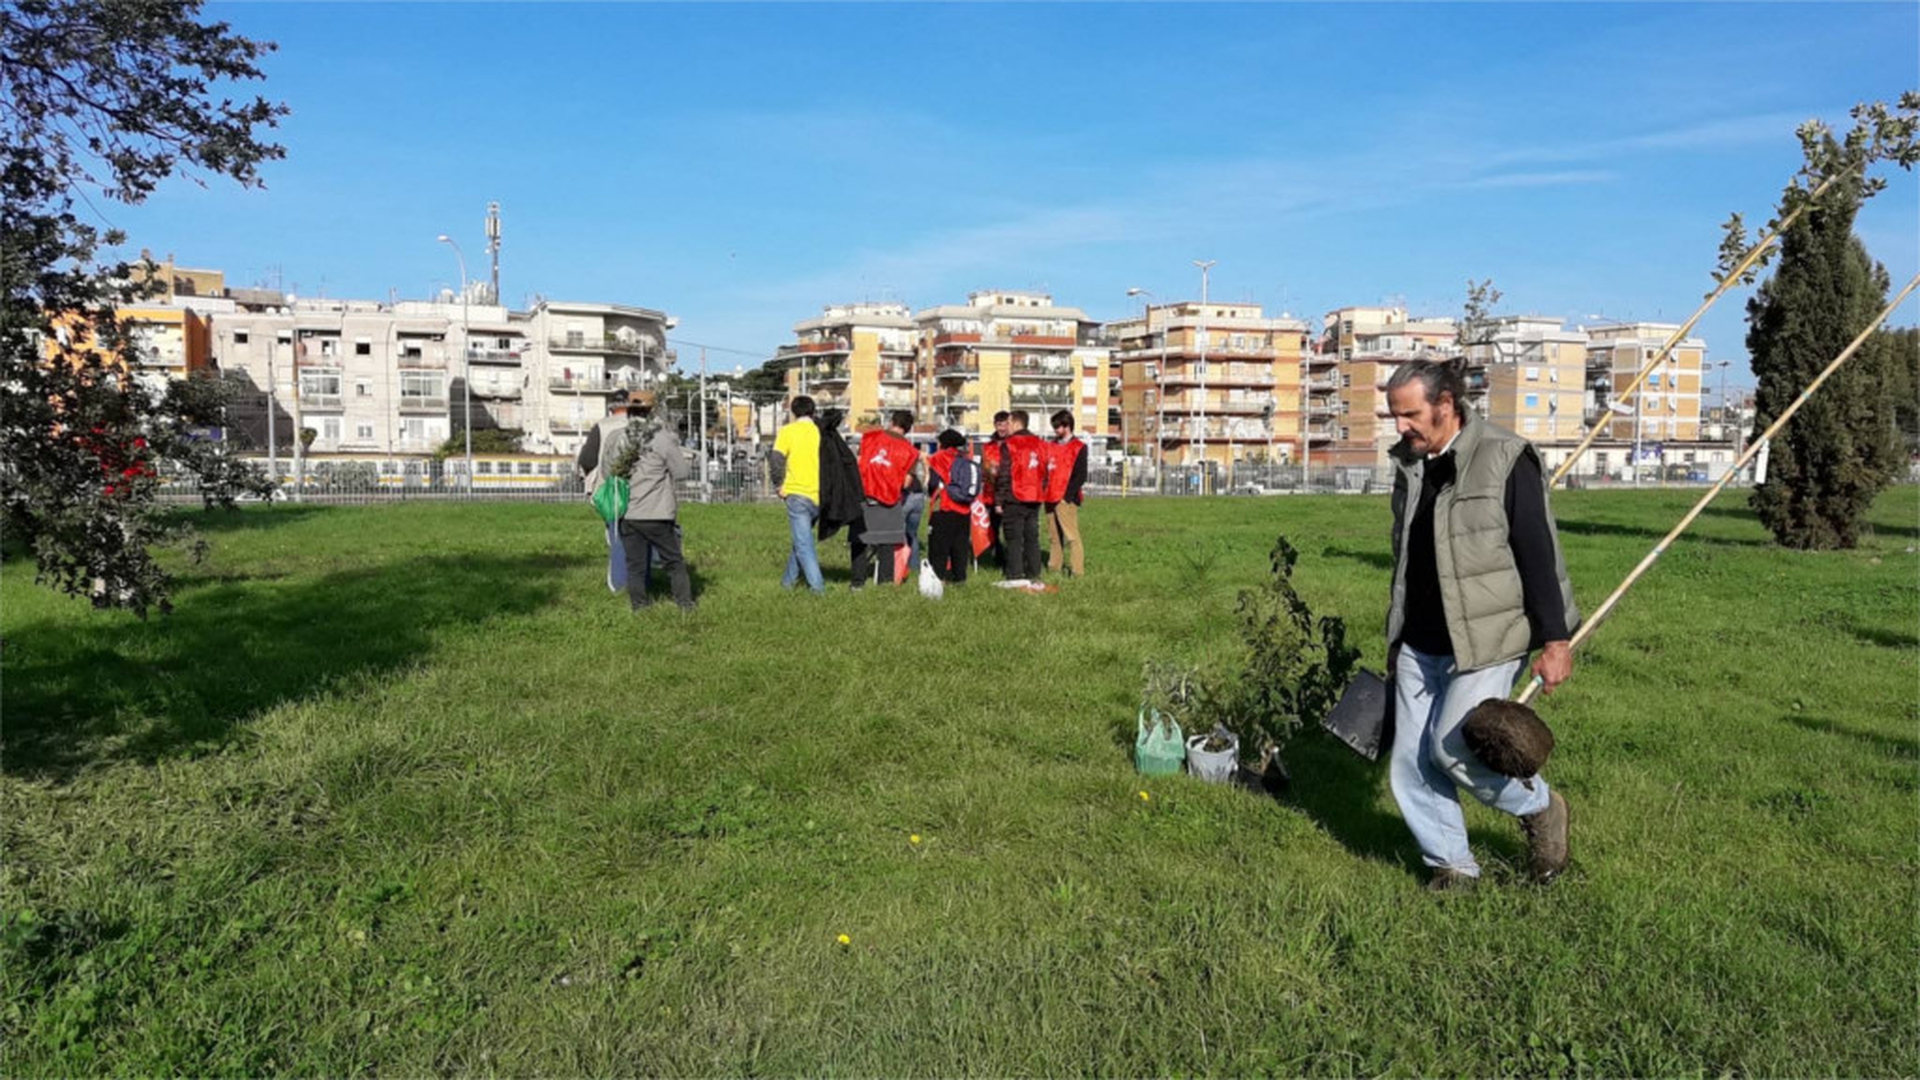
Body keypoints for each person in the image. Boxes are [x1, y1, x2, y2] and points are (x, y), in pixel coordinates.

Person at [1383, 359, 1577, 891]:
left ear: (1445, 405)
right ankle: (1452, 866)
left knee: (1451, 750)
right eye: (1393, 415)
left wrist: (1556, 640)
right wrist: (1397, 637)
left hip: (1487, 638)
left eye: (1410, 414)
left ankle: (1540, 808)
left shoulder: (1503, 457)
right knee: (1409, 762)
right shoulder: (1410, 465)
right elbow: (1407, 559)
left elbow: (1538, 553)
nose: (1400, 426)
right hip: (1419, 640)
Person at [598, 391, 694, 611]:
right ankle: (684, 604)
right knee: (674, 561)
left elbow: (606, 473)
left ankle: (639, 607)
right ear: (652, 411)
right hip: (657, 512)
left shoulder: (615, 437)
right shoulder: (662, 438)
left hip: (627, 513)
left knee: (635, 566)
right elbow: (681, 472)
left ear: (629, 411)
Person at [852, 410, 919, 587]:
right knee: (886, 543)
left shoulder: (869, 437)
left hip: (864, 494)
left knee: (859, 541)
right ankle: (884, 583)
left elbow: (858, 462)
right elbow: (906, 483)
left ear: (891, 422)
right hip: (889, 499)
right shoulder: (911, 452)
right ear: (908, 428)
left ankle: (857, 583)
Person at [770, 395, 824, 594]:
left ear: (793, 412)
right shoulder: (821, 432)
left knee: (803, 544)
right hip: (819, 494)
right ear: (813, 411)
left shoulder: (788, 431)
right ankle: (787, 584)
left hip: (797, 494)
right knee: (801, 541)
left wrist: (778, 484)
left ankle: (818, 590)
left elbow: (776, 459)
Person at [995, 409, 1048, 581]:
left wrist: (999, 500)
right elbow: (1045, 471)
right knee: (1032, 538)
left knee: (1014, 538)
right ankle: (1034, 573)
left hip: (1014, 496)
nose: (1006, 427)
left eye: (1008, 423)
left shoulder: (1010, 444)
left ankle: (1015, 574)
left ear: (1017, 423)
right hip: (1035, 496)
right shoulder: (1040, 443)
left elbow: (1004, 474)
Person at [925, 428, 975, 583]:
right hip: (964, 509)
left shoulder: (938, 458)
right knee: (960, 547)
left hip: (944, 507)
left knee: (939, 548)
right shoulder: (965, 458)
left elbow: (933, 483)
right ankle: (960, 579)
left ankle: (937, 580)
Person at [1044, 409, 1089, 578]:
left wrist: (1066, 497)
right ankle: (1054, 567)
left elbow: (1080, 475)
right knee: (1054, 537)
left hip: (1066, 499)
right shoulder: (1051, 445)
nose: (1055, 430)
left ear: (1067, 426)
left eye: (1058, 427)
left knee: (1072, 537)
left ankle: (1077, 571)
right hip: (1049, 496)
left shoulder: (1079, 447)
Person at [978, 411, 1010, 566]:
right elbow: (982, 469)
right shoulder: (988, 446)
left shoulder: (1014, 444)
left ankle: (1013, 558)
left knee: (1011, 530)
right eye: (999, 425)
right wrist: (987, 471)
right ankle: (998, 557)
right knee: (993, 529)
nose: (1001, 428)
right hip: (990, 494)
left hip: (1010, 494)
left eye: (1004, 424)